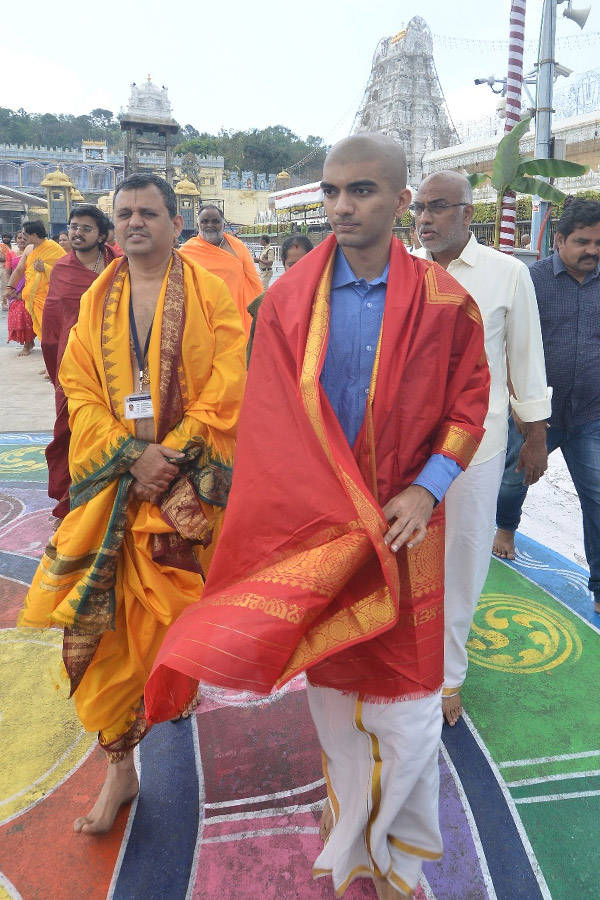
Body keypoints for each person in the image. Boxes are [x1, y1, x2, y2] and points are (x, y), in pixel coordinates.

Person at [145, 135, 490, 899]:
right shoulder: (286, 302)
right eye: (331, 191)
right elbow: (267, 427)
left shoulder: (446, 305)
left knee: (408, 710)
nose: (341, 206)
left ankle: (400, 861)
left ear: (402, 202)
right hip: (319, 534)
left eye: (361, 191)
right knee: (335, 704)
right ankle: (352, 843)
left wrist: (426, 489)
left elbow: (469, 409)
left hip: (407, 533)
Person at [19, 173, 246, 836]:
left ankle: (162, 716)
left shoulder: (210, 294)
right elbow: (79, 389)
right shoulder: (97, 299)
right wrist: (129, 456)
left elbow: (230, 379)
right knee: (97, 637)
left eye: (149, 212)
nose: (135, 222)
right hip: (113, 489)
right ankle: (120, 768)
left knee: (172, 633)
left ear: (175, 222)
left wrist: (168, 457)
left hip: (182, 493)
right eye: (126, 213)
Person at [413, 171, 551, 727]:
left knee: (463, 557)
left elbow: (525, 357)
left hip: (480, 442)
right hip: (406, 444)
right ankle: (407, 658)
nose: (425, 217)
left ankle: (448, 675)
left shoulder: (506, 274)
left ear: (469, 213)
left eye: (438, 207)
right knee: (407, 556)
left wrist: (536, 433)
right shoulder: (403, 272)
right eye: (419, 207)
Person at [493, 199, 600, 614]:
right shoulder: (529, 281)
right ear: (558, 240)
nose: (592, 250)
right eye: (582, 241)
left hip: (591, 413)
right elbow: (506, 346)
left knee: (597, 498)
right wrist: (519, 408)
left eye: (598, 242)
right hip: (535, 415)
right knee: (511, 481)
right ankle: (506, 527)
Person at [42, 205, 120, 521]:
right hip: (74, 366)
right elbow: (51, 328)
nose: (77, 233)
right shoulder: (62, 269)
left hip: (117, 362)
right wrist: (57, 370)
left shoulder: (121, 266)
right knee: (70, 430)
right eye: (74, 226)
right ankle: (71, 495)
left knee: (118, 426)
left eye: (86, 228)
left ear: (102, 235)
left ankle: (114, 493)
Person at [180, 204, 262, 335]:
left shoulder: (237, 246)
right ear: (198, 225)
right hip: (202, 319)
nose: (210, 225)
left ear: (223, 225)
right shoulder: (187, 251)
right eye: (204, 221)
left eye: (215, 221)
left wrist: (261, 310)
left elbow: (253, 281)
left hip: (235, 315)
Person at [246, 233, 313, 364]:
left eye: (304, 263)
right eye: (291, 265)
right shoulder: (267, 300)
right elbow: (257, 346)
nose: (298, 270)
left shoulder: (325, 296)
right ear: (284, 265)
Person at [4, 220, 65, 340]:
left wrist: (45, 268)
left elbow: (66, 273)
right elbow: (19, 270)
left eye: (25, 235)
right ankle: (48, 348)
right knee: (42, 329)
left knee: (53, 327)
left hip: (50, 297)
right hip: (33, 296)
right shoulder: (28, 249)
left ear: (34, 235)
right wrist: (9, 288)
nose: (23, 238)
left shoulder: (54, 248)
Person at [6, 231, 35, 355]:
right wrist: (10, 288)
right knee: (17, 318)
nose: (22, 240)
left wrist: (25, 291)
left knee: (27, 316)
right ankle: (26, 342)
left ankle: (28, 344)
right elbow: (9, 272)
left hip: (29, 288)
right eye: (19, 238)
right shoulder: (10, 254)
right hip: (14, 289)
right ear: (16, 240)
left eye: (25, 238)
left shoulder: (33, 252)